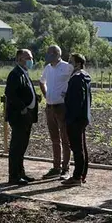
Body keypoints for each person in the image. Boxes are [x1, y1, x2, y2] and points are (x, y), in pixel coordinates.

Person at [5, 49, 39, 185]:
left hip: (27, 116)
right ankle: (14, 176)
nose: (31, 60)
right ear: (20, 59)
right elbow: (10, 94)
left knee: (23, 146)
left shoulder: (24, 73)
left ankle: (21, 173)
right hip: (19, 116)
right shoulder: (15, 74)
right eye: (28, 58)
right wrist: (22, 107)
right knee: (16, 147)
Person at [40, 45, 74, 180]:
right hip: (49, 107)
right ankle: (56, 167)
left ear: (56, 54)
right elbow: (42, 81)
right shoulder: (47, 68)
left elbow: (75, 81)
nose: (47, 55)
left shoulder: (67, 67)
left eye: (49, 53)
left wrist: (68, 94)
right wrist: (46, 95)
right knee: (55, 139)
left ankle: (65, 168)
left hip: (62, 107)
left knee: (65, 139)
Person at [61, 53, 92, 186]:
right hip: (82, 117)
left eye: (71, 61)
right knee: (82, 148)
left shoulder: (77, 78)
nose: (68, 64)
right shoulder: (85, 77)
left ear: (78, 64)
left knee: (77, 148)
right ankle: (82, 174)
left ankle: (77, 177)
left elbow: (77, 100)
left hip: (75, 118)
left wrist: (70, 117)